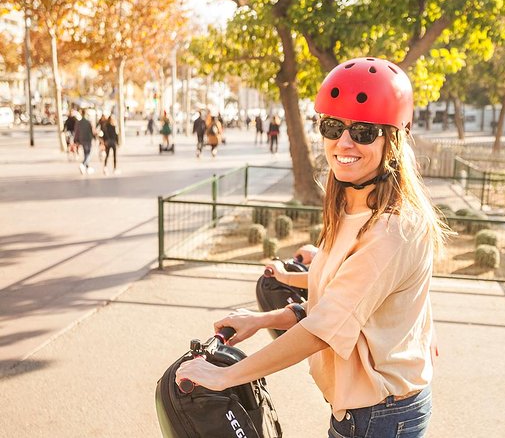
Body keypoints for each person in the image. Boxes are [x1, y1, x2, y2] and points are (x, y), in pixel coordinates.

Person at [175, 57, 448, 438]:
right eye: (333, 126)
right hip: (364, 409)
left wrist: (226, 376)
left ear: (393, 141)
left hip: (380, 416)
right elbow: (333, 303)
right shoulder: (353, 208)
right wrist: (259, 321)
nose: (344, 142)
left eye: (364, 131)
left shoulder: (392, 228)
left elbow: (324, 328)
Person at [73, 110, 95, 175]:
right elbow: (91, 131)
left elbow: (76, 132)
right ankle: (83, 164)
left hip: (82, 139)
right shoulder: (88, 122)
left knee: (86, 153)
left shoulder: (78, 122)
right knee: (88, 153)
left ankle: (87, 167)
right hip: (88, 139)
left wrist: (76, 140)